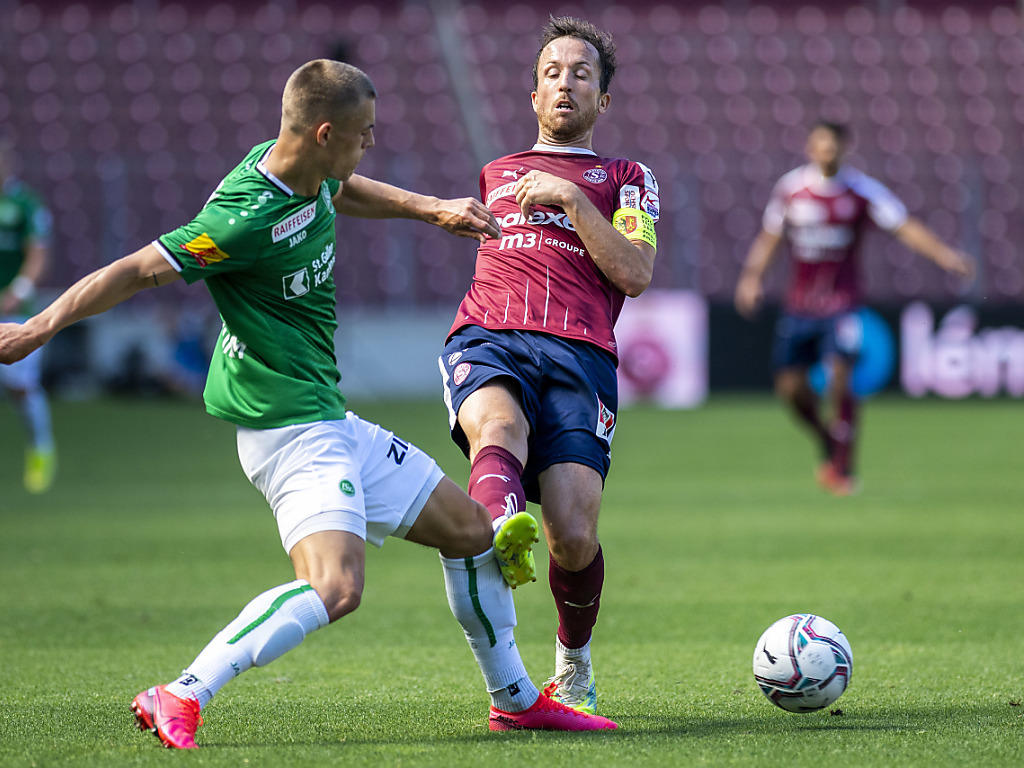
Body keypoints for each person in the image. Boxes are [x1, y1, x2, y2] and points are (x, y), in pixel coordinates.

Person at [0, 59, 618, 749]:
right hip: (288, 430)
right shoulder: (240, 219)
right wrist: (39, 326)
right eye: (364, 134)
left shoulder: (309, 170)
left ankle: (515, 699)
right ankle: (181, 691)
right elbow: (138, 270)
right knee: (336, 587)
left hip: (327, 419)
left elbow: (345, 188)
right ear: (326, 133)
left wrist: (428, 208)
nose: (370, 145)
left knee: (472, 532)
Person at [437, 17, 659, 715]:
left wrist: (569, 199)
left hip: (580, 353)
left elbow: (635, 271)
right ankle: (500, 528)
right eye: (553, 72)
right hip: (490, 333)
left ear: (604, 101)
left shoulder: (627, 179)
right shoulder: (495, 173)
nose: (566, 81)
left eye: (583, 73)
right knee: (496, 430)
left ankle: (573, 663)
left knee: (573, 533)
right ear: (534, 95)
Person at [734, 120, 973, 495]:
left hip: (842, 303)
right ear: (810, 148)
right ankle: (829, 439)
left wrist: (945, 257)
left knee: (839, 377)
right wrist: (751, 278)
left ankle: (843, 468)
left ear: (843, 148)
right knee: (790, 389)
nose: (826, 151)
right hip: (799, 306)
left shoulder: (861, 191)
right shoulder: (792, 189)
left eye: (832, 145)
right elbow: (770, 238)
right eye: (820, 145)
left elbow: (904, 226)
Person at [0, 141, 57, 493]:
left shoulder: (24, 205)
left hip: (13, 309)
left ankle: (41, 448)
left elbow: (37, 254)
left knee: (19, 387)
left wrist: (18, 290)